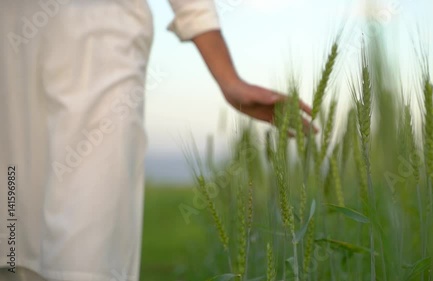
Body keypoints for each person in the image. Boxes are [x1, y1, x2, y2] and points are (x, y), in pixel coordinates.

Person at [0, 0, 312, 280]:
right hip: (11, 44)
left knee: (83, 256)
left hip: (103, 38)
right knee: (13, 244)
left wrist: (228, 78)